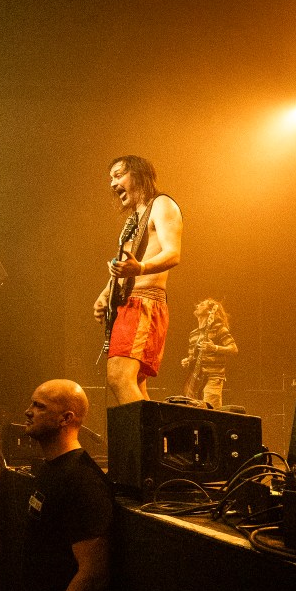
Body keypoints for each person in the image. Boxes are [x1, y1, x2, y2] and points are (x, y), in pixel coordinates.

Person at [7, 379, 115, 591]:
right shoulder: (50, 469)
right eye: (31, 403)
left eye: (39, 406)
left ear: (66, 418)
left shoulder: (82, 481)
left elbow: (94, 573)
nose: (28, 412)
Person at [93, 155, 183, 406]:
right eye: (111, 178)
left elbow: (173, 253)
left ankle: (141, 435)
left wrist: (140, 267)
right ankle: (153, 433)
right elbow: (125, 264)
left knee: (119, 378)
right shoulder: (135, 219)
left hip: (144, 303)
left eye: (118, 175)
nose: (113, 184)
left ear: (139, 174)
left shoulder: (162, 204)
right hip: (129, 304)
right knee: (136, 385)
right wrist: (105, 294)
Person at [181, 298, 238, 409]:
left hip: (213, 377)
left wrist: (214, 348)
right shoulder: (193, 334)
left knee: (211, 410)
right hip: (195, 378)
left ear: (209, 311)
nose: (197, 306)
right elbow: (193, 356)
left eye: (202, 304)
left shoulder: (219, 328)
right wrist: (187, 361)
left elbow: (233, 349)